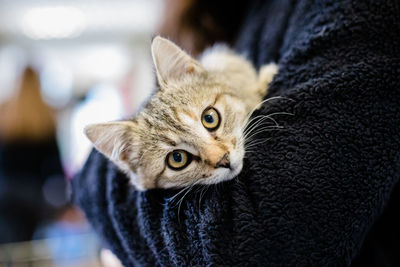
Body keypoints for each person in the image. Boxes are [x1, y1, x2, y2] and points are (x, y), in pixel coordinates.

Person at [73, 0, 400, 265]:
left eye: (211, 121)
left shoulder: (350, 13)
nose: (220, 157)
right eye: (178, 158)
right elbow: (87, 183)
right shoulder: (218, 17)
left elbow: (248, 245)